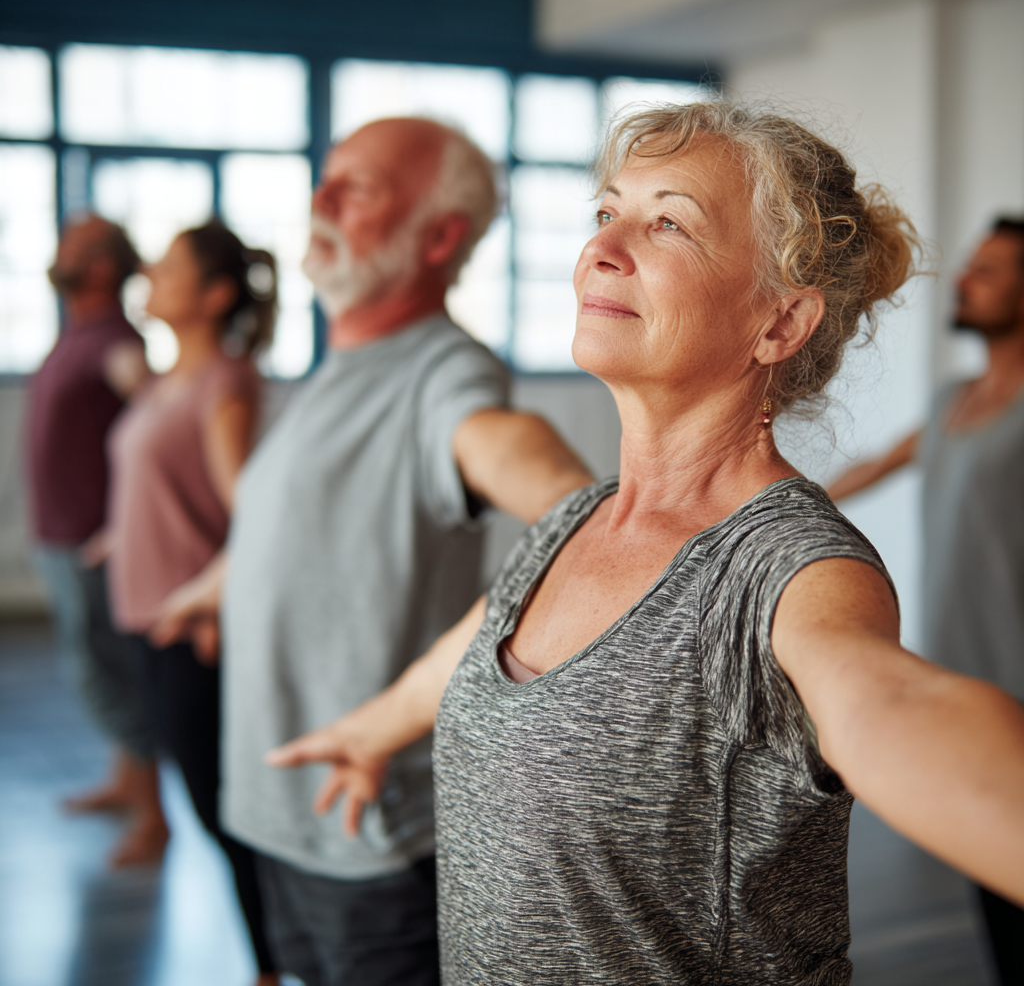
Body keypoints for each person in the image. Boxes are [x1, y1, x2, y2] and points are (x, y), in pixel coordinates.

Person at [270, 102, 1024, 985]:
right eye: (606, 213)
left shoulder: (788, 571)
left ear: (779, 322)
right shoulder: (572, 523)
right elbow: (474, 647)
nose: (603, 247)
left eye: (668, 221)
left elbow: (886, 703)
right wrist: (370, 729)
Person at [152, 117, 594, 986]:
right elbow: (307, 519)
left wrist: (578, 502)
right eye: (326, 179)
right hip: (284, 809)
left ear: (438, 237)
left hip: (369, 832)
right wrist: (221, 584)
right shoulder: (340, 364)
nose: (321, 200)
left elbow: (572, 513)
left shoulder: (444, 374)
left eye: (357, 188)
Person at [826, 215, 1024, 985]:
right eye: (969, 266)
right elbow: (876, 464)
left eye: (992, 270)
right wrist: (761, 507)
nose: (966, 279)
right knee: (996, 903)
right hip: (966, 679)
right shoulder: (954, 399)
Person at [105, 221, 280, 985]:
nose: (149, 272)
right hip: (145, 611)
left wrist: (214, 599)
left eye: (169, 267)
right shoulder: (168, 381)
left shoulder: (222, 385)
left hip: (192, 626)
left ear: (213, 296)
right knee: (211, 802)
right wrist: (122, 536)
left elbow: (253, 511)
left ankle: (275, 965)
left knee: (222, 810)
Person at [25, 213, 167, 866]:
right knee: (103, 664)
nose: (61, 252)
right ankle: (125, 781)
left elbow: (158, 414)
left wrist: (123, 525)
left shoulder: (114, 341)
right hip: (62, 535)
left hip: (91, 543)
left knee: (107, 671)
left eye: (75, 245)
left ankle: (153, 815)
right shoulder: (78, 333)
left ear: (104, 266)